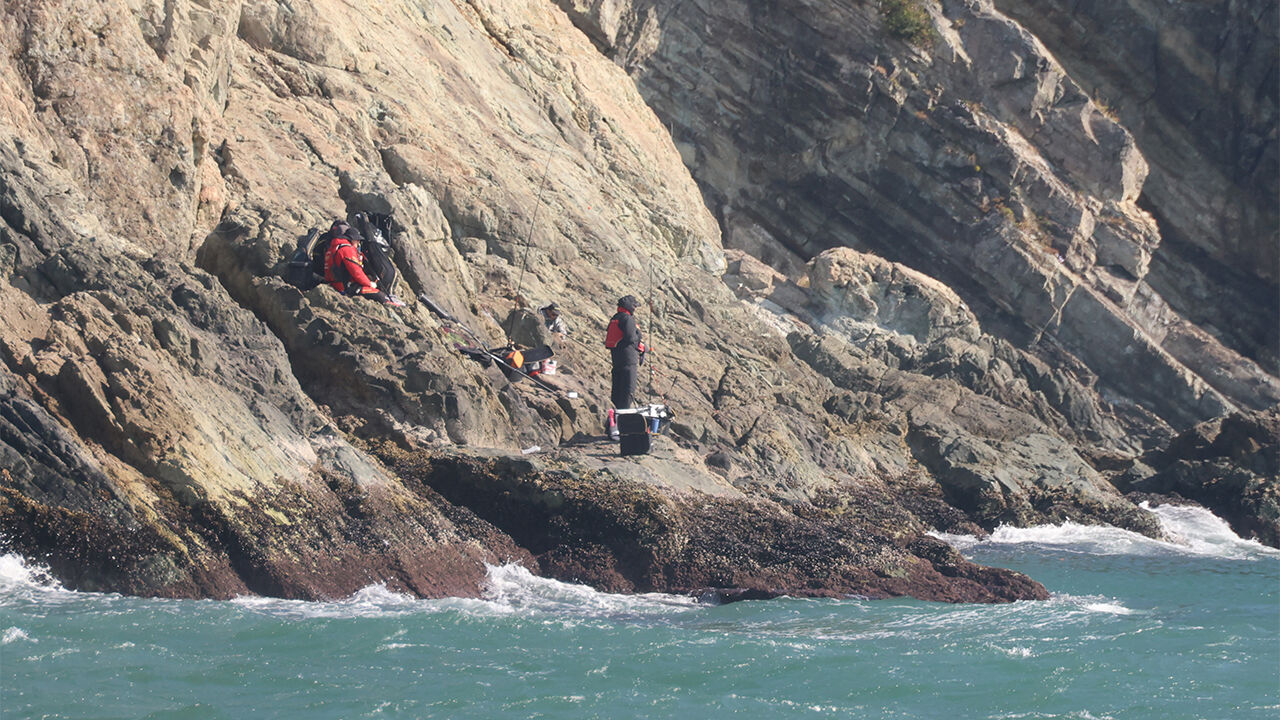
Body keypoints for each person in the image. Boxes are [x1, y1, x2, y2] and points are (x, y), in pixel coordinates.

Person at [323, 220, 404, 306]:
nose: (358, 243)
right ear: (352, 239)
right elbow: (356, 272)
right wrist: (369, 284)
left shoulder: (333, 248)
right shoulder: (346, 250)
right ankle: (396, 305)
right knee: (381, 296)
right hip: (345, 288)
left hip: (335, 284)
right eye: (357, 240)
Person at [604, 294, 645, 439]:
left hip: (618, 360)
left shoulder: (615, 317)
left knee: (617, 394)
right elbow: (630, 337)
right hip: (628, 361)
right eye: (634, 305)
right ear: (629, 306)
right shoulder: (627, 319)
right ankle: (621, 428)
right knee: (627, 393)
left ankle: (612, 426)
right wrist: (639, 340)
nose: (635, 308)